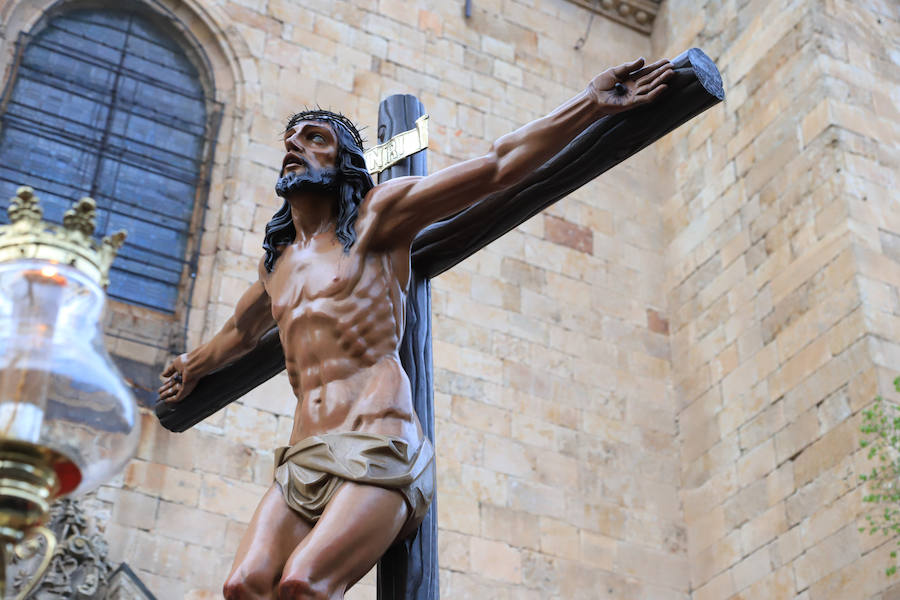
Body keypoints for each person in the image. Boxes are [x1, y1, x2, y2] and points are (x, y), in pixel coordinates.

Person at [158, 57, 673, 600]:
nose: (294, 147)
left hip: (378, 440)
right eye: (289, 140)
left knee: (303, 585)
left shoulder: (378, 220)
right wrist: (190, 368)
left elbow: (499, 166)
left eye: (313, 139)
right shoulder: (276, 267)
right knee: (243, 585)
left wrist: (588, 105)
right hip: (304, 456)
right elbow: (238, 336)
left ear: (344, 164)